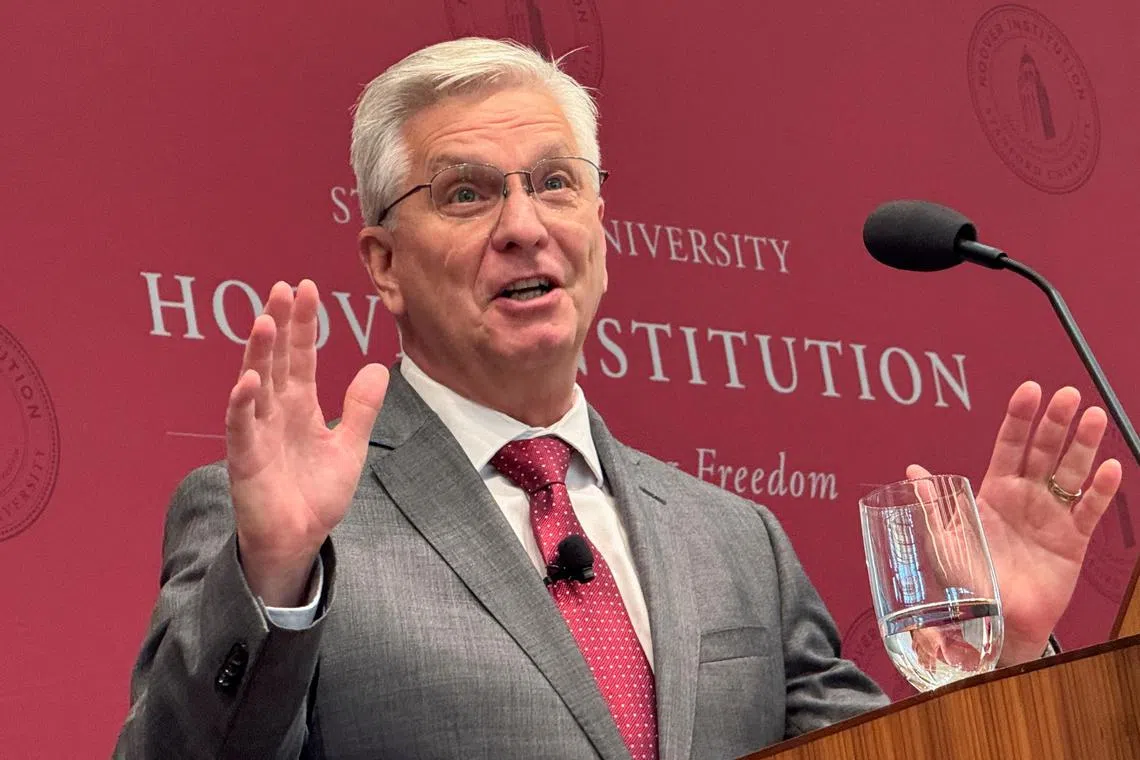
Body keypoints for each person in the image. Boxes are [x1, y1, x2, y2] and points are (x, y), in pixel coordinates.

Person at [115, 37, 1123, 760]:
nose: (524, 225)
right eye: (467, 193)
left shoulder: (739, 541)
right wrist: (278, 579)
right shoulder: (279, 536)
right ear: (382, 262)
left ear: (600, 225)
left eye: (555, 182)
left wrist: (1003, 659)